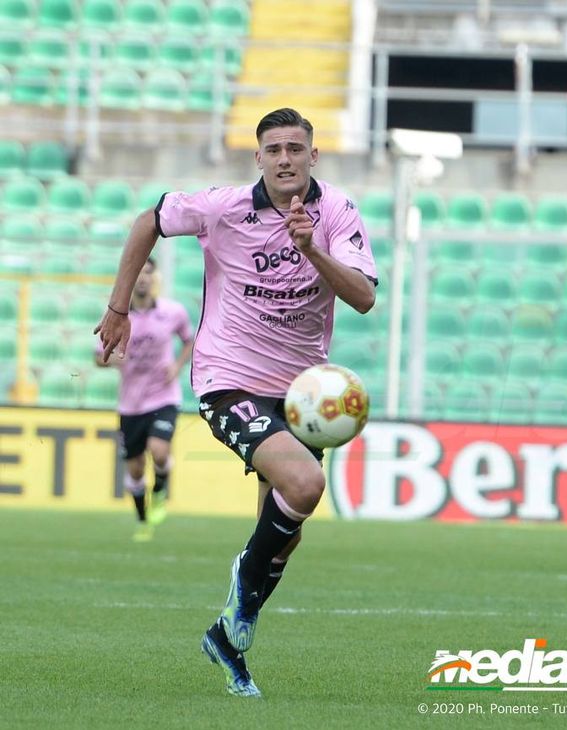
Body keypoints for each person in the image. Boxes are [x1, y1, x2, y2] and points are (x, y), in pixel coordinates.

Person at [95, 108, 378, 697]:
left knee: (286, 532)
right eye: (273, 149)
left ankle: (227, 637)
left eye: (295, 149)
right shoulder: (223, 207)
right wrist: (119, 308)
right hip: (229, 379)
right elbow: (149, 220)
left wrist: (312, 249)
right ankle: (243, 589)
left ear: (313, 156)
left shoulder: (337, 212)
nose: (284, 159)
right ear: (258, 158)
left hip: (301, 395)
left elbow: (363, 297)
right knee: (304, 484)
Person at [94, 257, 193, 542]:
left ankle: (160, 490)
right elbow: (98, 356)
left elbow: (189, 340)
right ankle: (142, 518)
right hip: (131, 403)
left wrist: (176, 366)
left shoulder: (173, 312)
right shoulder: (116, 317)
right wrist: (113, 361)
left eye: (148, 272)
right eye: (138, 272)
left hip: (163, 397)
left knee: (159, 451)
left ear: (154, 277)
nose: (143, 278)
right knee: (135, 469)